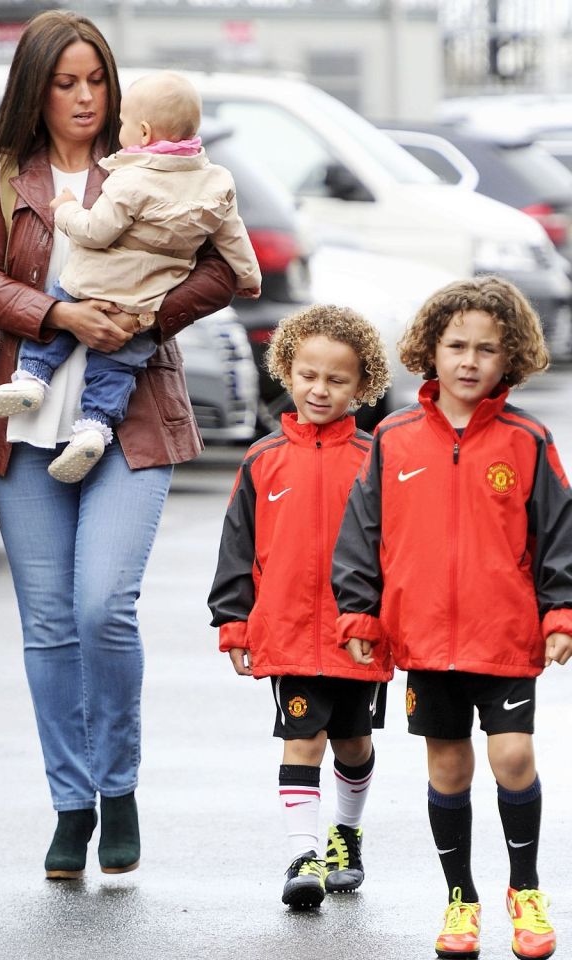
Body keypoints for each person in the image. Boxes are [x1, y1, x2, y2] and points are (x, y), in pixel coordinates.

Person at [0, 10, 238, 880]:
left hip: (131, 416)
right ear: (34, 89)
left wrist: (145, 317)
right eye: (65, 82)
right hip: (24, 420)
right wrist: (58, 314)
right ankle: (71, 807)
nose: (84, 98)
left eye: (96, 81)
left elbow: (226, 269)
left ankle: (118, 787)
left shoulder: (163, 163)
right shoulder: (4, 171)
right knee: (48, 627)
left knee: (100, 606)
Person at [332, 276, 572, 958]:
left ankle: (524, 889)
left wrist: (561, 612)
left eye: (487, 349)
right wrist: (358, 614)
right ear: (430, 351)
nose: (469, 361)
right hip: (424, 639)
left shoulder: (527, 440)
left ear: (511, 358)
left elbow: (558, 534)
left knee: (513, 754)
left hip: (505, 635)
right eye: (456, 345)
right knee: (448, 769)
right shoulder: (395, 437)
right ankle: (460, 899)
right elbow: (361, 532)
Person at [0, 70, 261, 484]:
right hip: (145, 302)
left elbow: (96, 230)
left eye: (124, 119)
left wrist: (67, 210)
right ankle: (94, 427)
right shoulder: (215, 180)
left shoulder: (130, 179)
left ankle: (32, 380)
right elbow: (233, 236)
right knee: (115, 369)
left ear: (143, 132)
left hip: (93, 282)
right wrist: (249, 276)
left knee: (62, 301)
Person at [208, 304, 393, 909]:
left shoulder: (375, 459)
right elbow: (237, 543)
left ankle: (346, 834)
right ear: (286, 370)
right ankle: (303, 854)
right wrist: (234, 620)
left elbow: (400, 547)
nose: (320, 389)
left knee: (353, 744)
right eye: (309, 375)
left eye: (337, 380)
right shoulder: (263, 459)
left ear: (362, 387)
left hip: (357, 631)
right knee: (301, 738)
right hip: (287, 631)